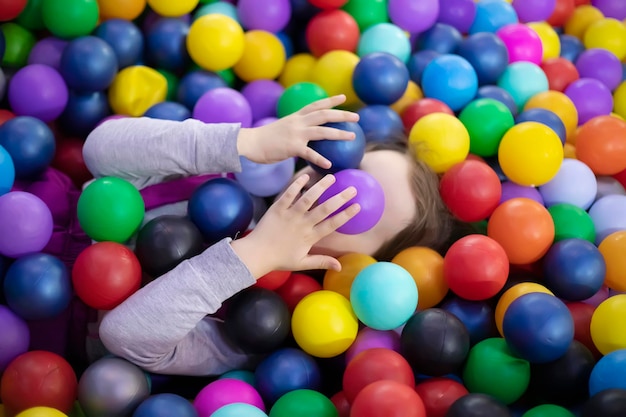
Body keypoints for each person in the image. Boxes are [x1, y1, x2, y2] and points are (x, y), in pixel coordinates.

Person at [86, 95, 457, 376]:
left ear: (360, 266)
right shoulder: (222, 174)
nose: (334, 187)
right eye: (352, 169)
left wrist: (256, 254)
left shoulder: (258, 323)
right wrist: (245, 143)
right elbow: (98, 150)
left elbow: (124, 337)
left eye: (357, 208)